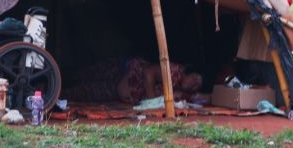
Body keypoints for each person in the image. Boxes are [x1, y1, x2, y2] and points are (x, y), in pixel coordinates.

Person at [61, 57, 203, 105]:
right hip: (122, 71)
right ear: (190, 71)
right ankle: (49, 79)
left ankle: (49, 93)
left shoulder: (178, 91)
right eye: (195, 78)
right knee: (83, 75)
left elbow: (203, 98)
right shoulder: (175, 71)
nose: (194, 83)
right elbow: (149, 72)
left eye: (197, 85)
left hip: (119, 90)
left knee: (82, 93)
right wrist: (152, 98)